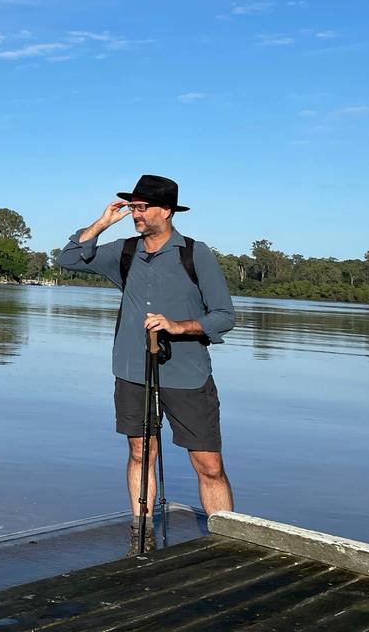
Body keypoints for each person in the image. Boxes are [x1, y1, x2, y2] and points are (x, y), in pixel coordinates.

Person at [57, 174, 236, 555]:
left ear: (166, 211)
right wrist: (102, 223)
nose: (135, 214)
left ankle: (227, 543)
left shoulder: (195, 253)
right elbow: (68, 258)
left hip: (187, 373)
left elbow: (224, 316)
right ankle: (142, 535)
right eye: (133, 207)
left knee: (209, 463)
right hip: (132, 370)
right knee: (141, 451)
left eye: (142, 207)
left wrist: (179, 326)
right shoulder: (122, 252)